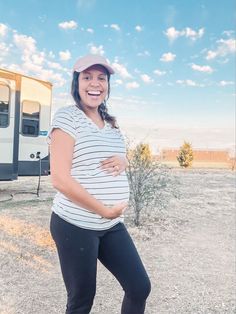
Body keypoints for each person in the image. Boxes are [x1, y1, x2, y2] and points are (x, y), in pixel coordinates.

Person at [47, 54, 151, 314]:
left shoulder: (112, 123)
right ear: (76, 83)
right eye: (87, 77)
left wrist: (125, 159)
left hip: (111, 224)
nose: (95, 83)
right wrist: (103, 209)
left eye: (101, 78)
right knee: (81, 301)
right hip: (75, 224)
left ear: (107, 85)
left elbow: (108, 157)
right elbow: (59, 178)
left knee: (139, 287)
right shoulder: (67, 118)